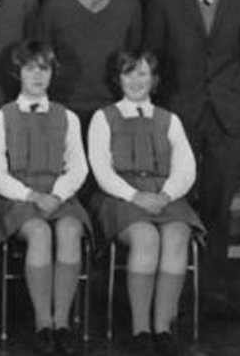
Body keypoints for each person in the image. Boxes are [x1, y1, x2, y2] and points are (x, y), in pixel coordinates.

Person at [144, 0, 240, 323]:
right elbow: (151, 61)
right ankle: (169, 295)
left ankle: (213, 293)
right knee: (174, 203)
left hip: (225, 118)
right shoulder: (164, 1)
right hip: (179, 115)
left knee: (217, 207)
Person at [87, 51, 203, 356]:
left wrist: (166, 195)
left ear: (153, 80)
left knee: (177, 234)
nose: (136, 81)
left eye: (143, 74)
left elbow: (186, 167)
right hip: (121, 195)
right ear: (118, 79)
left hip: (166, 194)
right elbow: (101, 169)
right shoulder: (104, 117)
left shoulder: (170, 119)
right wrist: (135, 196)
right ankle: (140, 329)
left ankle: (162, 327)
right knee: (146, 237)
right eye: (129, 73)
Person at [0, 41, 89, 356]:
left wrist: (56, 194)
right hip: (16, 198)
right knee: (41, 233)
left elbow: (78, 166)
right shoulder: (0, 118)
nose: (37, 76)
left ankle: (62, 323)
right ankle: (43, 322)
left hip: (59, 196)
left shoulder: (67, 117)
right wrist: (31, 195)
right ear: (17, 73)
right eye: (30, 68)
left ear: (52, 74)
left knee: (70, 230)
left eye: (44, 68)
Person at [36, 0, 142, 121]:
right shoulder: (53, 4)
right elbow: (41, 63)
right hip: (63, 109)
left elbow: (136, 65)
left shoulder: (129, 5)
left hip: (116, 110)